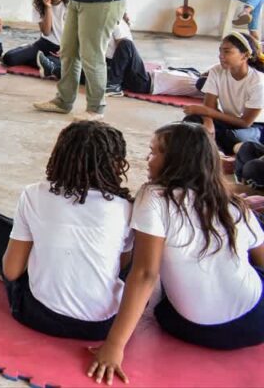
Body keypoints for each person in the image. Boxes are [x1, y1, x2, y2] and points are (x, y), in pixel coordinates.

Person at [88, 123, 264, 384]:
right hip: (256, 325)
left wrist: (114, 345)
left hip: (190, 328)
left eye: (154, 152)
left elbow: (145, 274)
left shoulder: (154, 196)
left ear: (177, 160)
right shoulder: (234, 206)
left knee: (145, 265)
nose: (147, 158)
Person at [0, 121, 133, 340]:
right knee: (143, 254)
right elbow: (122, 266)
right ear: (117, 165)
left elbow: (11, 272)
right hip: (104, 327)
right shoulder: (126, 208)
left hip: (35, 315)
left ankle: (38, 261)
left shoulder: (34, 194)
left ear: (59, 157)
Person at [182, 32, 264, 155]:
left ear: (245, 55)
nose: (221, 56)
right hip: (228, 121)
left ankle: (213, 149)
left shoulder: (258, 81)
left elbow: (245, 122)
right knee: (192, 122)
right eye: (220, 51)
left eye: (227, 51)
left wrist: (208, 112)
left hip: (254, 127)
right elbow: (209, 106)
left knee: (233, 137)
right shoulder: (216, 71)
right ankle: (213, 148)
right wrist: (208, 121)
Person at [2, 0, 68, 71]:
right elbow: (46, 32)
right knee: (9, 58)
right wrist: (48, 7)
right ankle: (40, 59)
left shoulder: (70, 4)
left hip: (65, 47)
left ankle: (42, 60)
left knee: (65, 66)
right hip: (45, 44)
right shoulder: (39, 5)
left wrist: (67, 48)